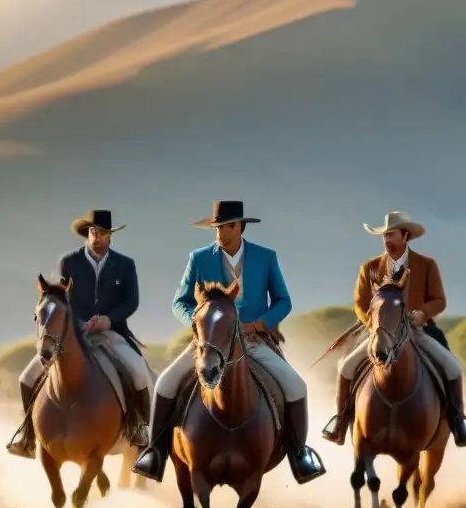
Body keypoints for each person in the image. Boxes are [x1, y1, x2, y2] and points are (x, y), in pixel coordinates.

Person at [131, 199, 326, 484]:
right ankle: (155, 453)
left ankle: (299, 454)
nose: (219, 234)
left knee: (296, 386)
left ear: (239, 227)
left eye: (225, 227)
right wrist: (201, 324)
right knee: (165, 383)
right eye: (216, 228)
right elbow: (179, 303)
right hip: (208, 342)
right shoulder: (199, 258)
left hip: (255, 341)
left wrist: (260, 324)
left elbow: (284, 301)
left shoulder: (266, 257)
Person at [321, 212, 466, 447]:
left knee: (452, 367)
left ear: (405, 236)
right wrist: (375, 325)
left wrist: (422, 313)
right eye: (384, 235)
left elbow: (439, 300)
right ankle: (341, 421)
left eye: (391, 234)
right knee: (345, 366)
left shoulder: (427, 265)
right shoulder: (370, 267)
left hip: (420, 331)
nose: (386, 239)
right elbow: (359, 303)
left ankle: (458, 421)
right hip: (380, 333)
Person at [7, 209, 151, 458]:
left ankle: (141, 429)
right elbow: (61, 298)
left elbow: (132, 302)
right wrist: (78, 322)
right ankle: (27, 434)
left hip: (111, 334)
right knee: (26, 378)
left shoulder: (126, 265)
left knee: (139, 372)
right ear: (87, 233)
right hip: (73, 335)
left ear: (110, 236)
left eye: (103, 233)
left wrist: (109, 319)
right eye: (94, 232)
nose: (98, 237)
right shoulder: (69, 262)